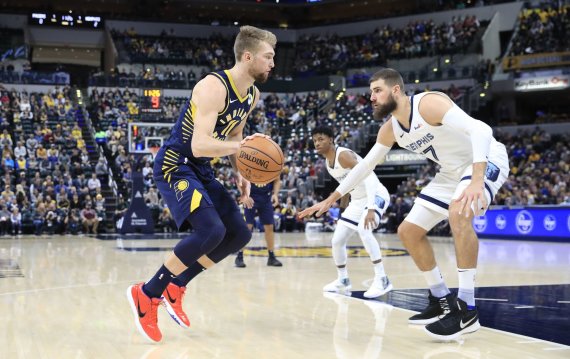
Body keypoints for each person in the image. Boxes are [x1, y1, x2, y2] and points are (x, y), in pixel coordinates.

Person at [299, 68, 509, 341]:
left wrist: (477, 179)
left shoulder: (428, 103)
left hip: (485, 159)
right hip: (450, 173)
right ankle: (441, 299)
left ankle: (467, 309)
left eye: (377, 90)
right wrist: (331, 198)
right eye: (371, 92)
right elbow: (364, 167)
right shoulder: (390, 130)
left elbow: (481, 129)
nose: (371, 97)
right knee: (408, 231)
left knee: (458, 214)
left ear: (395, 90)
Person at [127, 25, 277, 343]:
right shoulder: (213, 86)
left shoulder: (252, 94)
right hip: (176, 165)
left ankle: (176, 285)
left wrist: (242, 173)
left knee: (239, 234)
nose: (272, 63)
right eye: (268, 56)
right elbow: (199, 144)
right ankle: (147, 293)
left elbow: (236, 135)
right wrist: (241, 148)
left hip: (202, 169)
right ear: (247, 56)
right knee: (211, 231)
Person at [310, 126, 392, 299]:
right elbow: (346, 187)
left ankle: (382, 279)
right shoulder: (328, 162)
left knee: (364, 229)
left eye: (321, 139)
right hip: (357, 200)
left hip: (375, 194)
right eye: (315, 140)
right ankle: (343, 280)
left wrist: (371, 208)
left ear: (331, 139)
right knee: (337, 240)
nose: (317, 143)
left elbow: (368, 176)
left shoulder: (343, 155)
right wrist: (342, 210)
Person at [235, 178, 283, 268]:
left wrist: (275, 194)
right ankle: (239, 256)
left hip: (266, 198)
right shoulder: (248, 163)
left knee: (269, 227)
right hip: (250, 196)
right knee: (248, 227)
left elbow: (277, 179)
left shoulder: (272, 164)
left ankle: (271, 257)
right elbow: (239, 179)